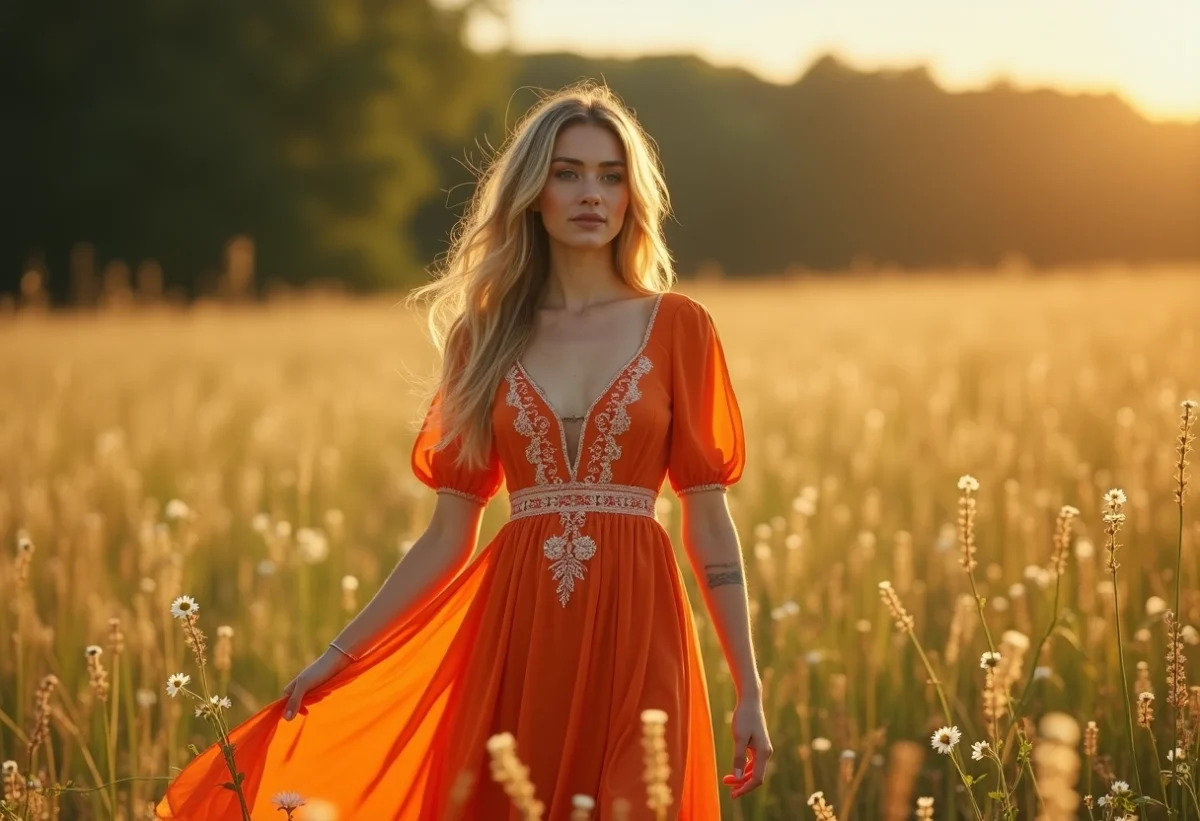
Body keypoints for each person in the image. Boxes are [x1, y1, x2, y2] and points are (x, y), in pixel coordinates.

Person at [155, 80, 772, 820]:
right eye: (567, 172)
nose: (591, 193)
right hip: (517, 631)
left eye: (611, 176)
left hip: (642, 625)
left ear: (633, 195)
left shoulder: (679, 326)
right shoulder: (482, 338)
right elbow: (449, 533)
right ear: (531, 194)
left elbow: (709, 522)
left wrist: (749, 688)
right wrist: (338, 656)